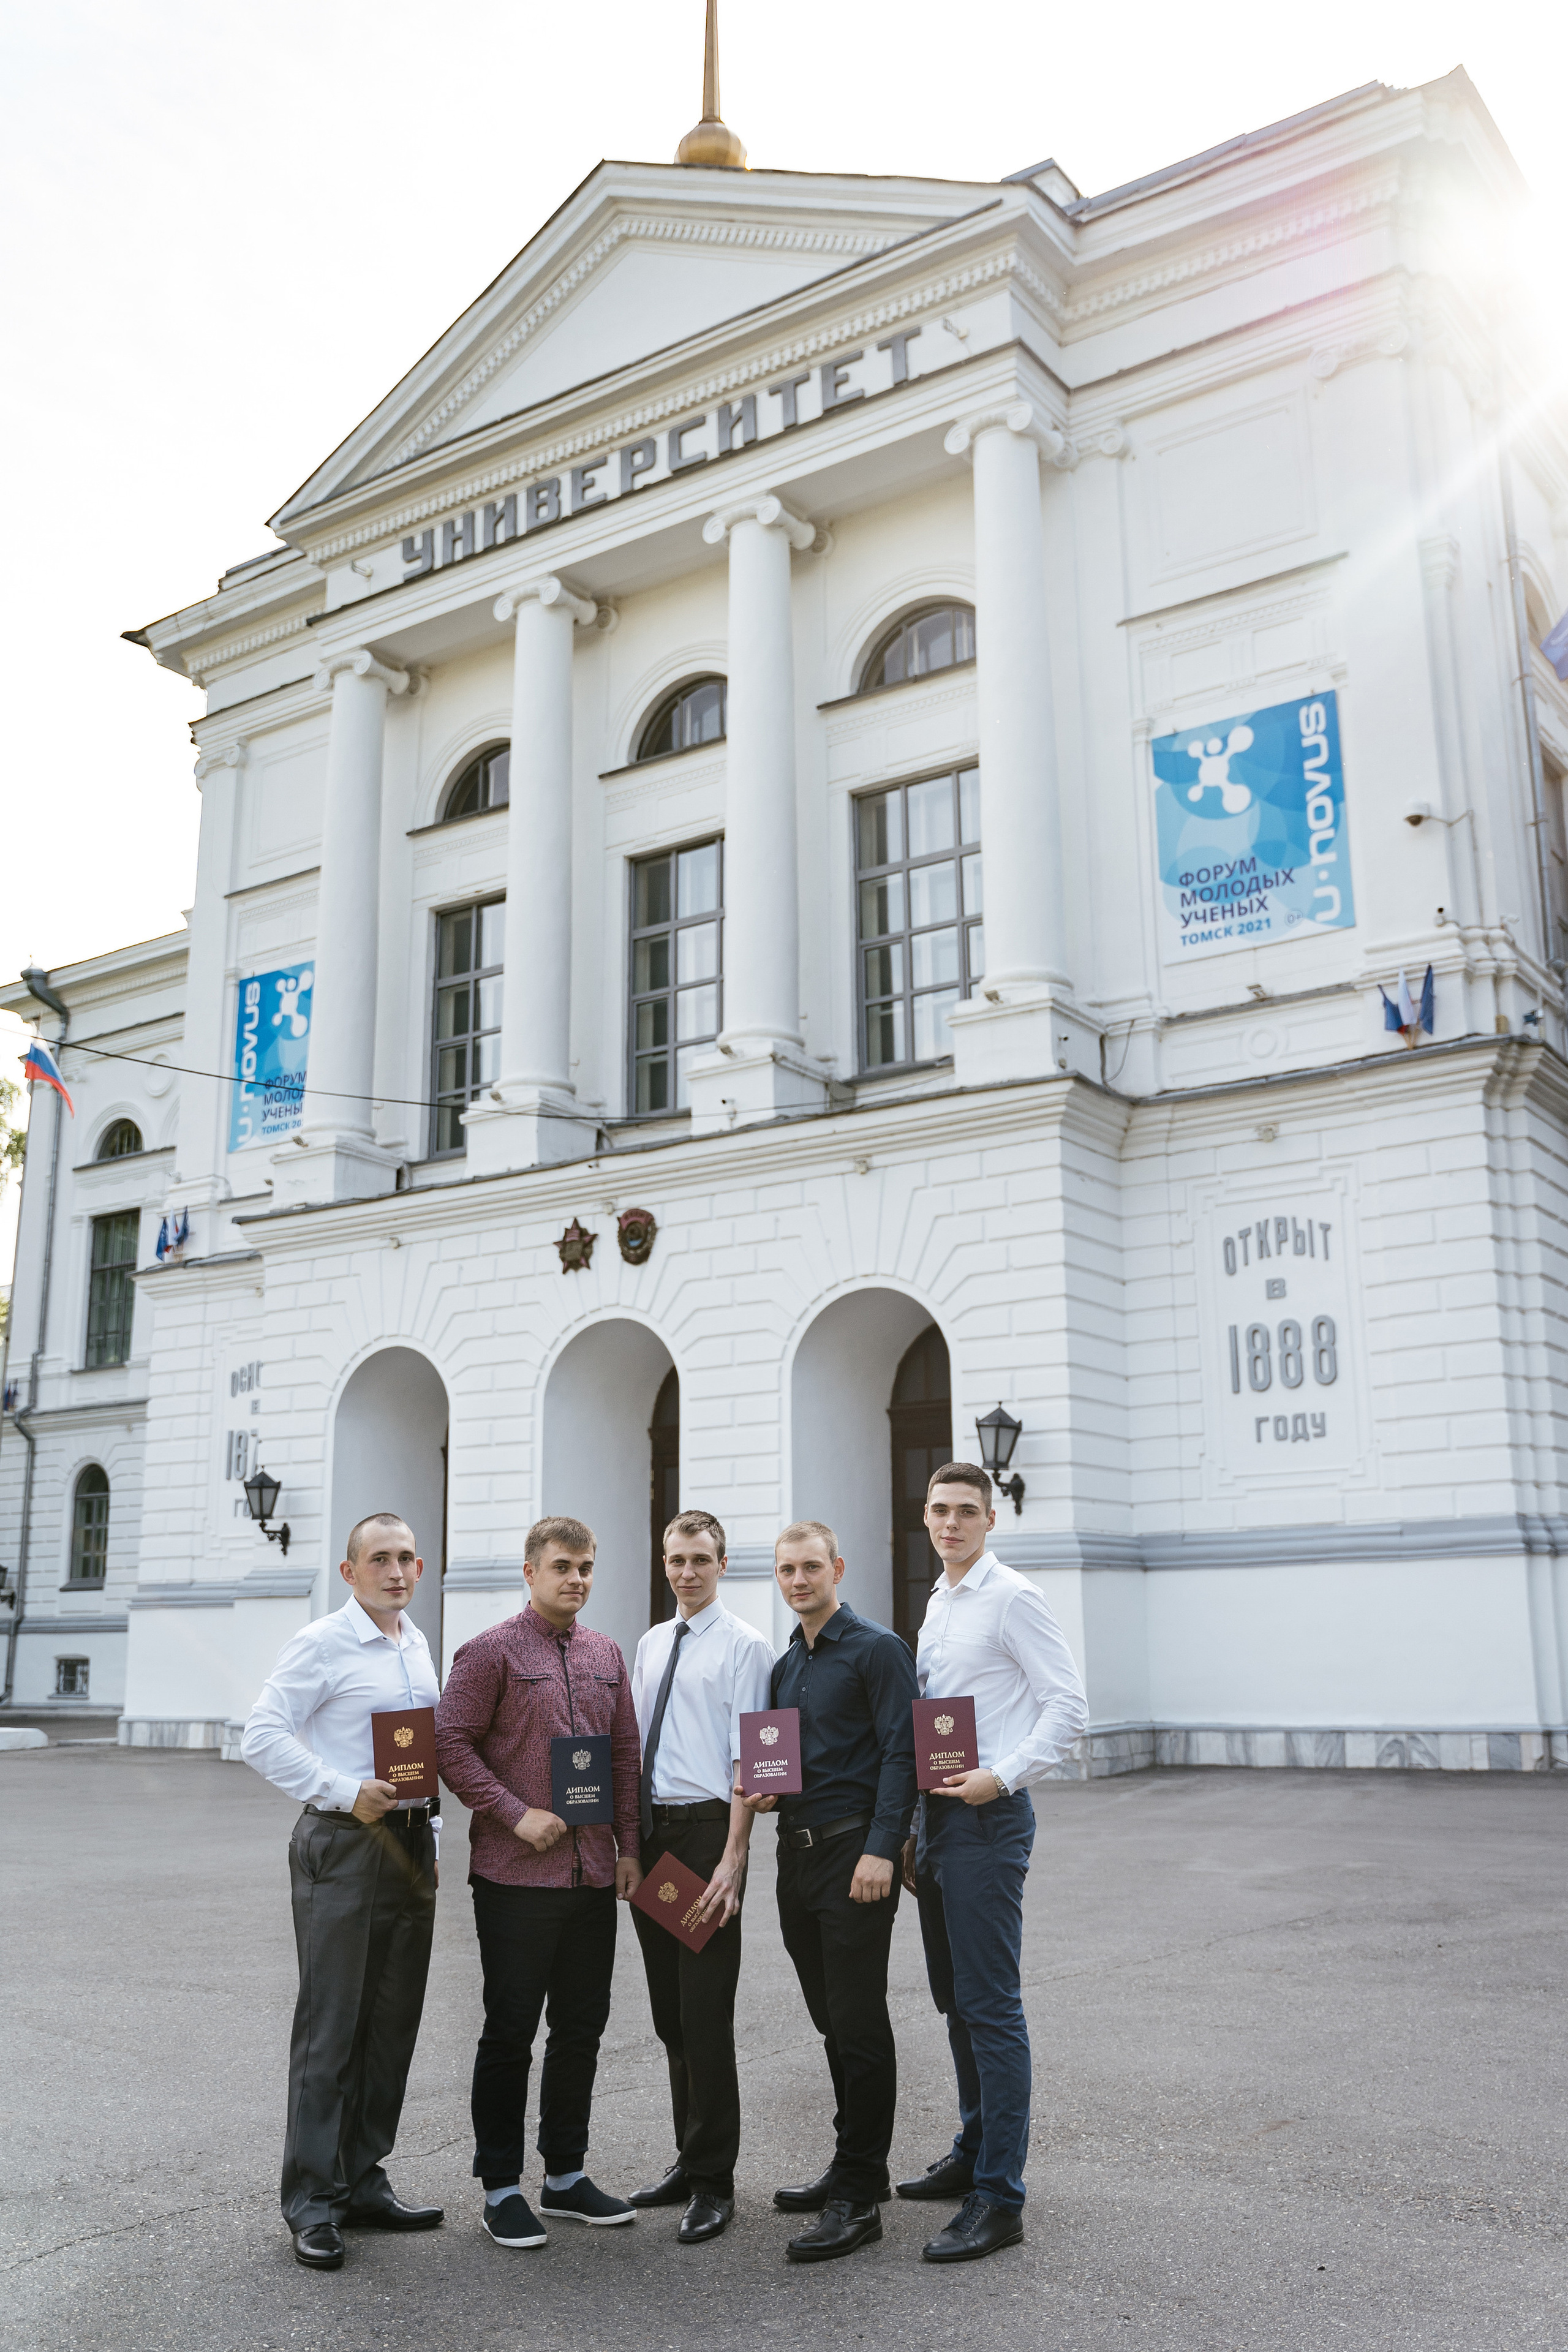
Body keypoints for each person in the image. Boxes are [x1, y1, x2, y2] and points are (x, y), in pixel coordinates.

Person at [240, 1511, 444, 2272]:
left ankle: (362, 2180)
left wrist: (431, 1834)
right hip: (344, 1843)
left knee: (391, 2023)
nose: (396, 1571)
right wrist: (340, 1788)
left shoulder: (415, 1643)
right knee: (332, 2026)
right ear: (349, 1571)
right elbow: (261, 1735)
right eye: (379, 1559)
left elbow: (419, 1748)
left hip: (408, 1845)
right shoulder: (323, 1642)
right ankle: (313, 2202)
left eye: (406, 1558)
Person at [896, 1462, 1088, 2263]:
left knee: (991, 2006)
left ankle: (1000, 2196)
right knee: (956, 2002)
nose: (951, 1523)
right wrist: (916, 1823)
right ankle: (973, 2150)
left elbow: (1068, 1707)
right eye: (939, 1510)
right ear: (927, 1516)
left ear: (989, 1520)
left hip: (989, 1819)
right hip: (940, 1821)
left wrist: (1001, 1776)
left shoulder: (1013, 1597)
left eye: (966, 1511)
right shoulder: (939, 1602)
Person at [434, 1515, 642, 2251]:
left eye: (585, 1567)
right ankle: (500, 2188)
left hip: (591, 1877)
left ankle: (565, 2176)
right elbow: (448, 1743)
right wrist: (514, 1814)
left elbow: (623, 1757)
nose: (576, 1579)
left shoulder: (605, 1653)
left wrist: (629, 1849)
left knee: (581, 2030)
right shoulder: (490, 1651)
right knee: (511, 2031)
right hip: (515, 1877)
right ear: (530, 1572)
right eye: (562, 1566)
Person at [741, 1520, 918, 2264]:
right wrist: (767, 1794)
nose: (798, 1580)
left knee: (857, 2021)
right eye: (787, 1570)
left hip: (855, 1855)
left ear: (836, 1569)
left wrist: (882, 1848)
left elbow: (903, 1751)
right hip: (798, 1857)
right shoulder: (786, 1664)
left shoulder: (877, 1649)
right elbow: (785, 1761)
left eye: (810, 1567)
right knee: (829, 2021)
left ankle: (858, 2200)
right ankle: (857, 2166)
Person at [627, 1510, 774, 2245]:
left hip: (705, 1838)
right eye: (676, 1559)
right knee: (670, 2016)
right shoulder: (652, 1643)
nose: (687, 1572)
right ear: (665, 1562)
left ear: (722, 1564)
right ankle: (689, 2160)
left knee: (704, 2013)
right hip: (654, 1839)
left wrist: (732, 1857)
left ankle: (715, 2183)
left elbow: (753, 1757)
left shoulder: (746, 1647)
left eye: (700, 1560)